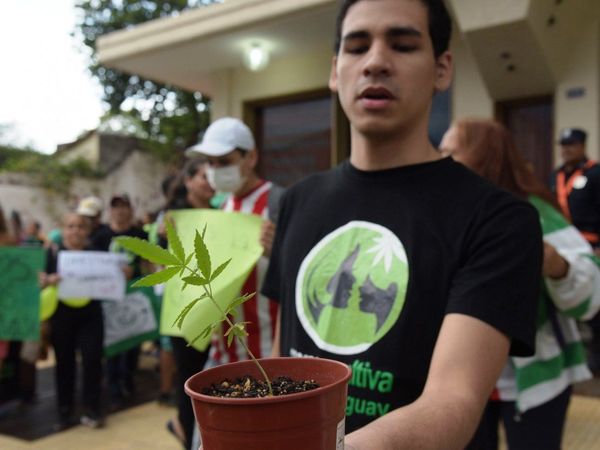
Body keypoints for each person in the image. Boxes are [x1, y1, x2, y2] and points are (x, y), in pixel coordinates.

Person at [260, 1, 543, 449]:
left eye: (403, 44)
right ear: (335, 71)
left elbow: (454, 400)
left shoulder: (498, 220)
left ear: (442, 68)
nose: (375, 62)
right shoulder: (298, 200)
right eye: (356, 47)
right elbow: (282, 359)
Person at [440, 118, 600, 450]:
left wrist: (556, 265)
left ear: (487, 156)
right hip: (459, 382)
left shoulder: (532, 211)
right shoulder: (441, 212)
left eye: (451, 152)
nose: (441, 160)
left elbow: (592, 289)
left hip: (536, 380)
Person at [187, 117, 281, 367]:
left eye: (224, 162)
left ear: (250, 158)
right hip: (223, 352)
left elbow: (304, 274)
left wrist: (279, 254)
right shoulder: (222, 206)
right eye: (210, 162)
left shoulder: (279, 203)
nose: (215, 170)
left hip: (265, 352)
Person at [40, 212, 105, 429]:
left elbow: (110, 276)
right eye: (71, 226)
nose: (75, 230)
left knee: (92, 360)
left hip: (91, 315)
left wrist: (120, 271)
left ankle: (91, 409)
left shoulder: (95, 253)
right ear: (63, 229)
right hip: (62, 315)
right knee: (64, 363)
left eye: (80, 226)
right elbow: (39, 280)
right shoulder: (52, 253)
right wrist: (48, 280)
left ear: (87, 230)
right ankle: (65, 410)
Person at [550, 127, 600, 375]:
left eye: (571, 145)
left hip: (591, 246)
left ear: (582, 146)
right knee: (566, 299)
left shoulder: (595, 173)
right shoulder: (556, 175)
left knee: (596, 304)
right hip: (564, 248)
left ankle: (597, 356)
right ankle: (572, 352)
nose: (566, 150)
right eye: (563, 146)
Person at [92, 194, 148, 407]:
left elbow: (147, 263)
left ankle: (128, 379)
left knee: (133, 342)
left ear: (130, 209)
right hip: (108, 296)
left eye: (125, 206)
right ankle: (113, 385)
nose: (120, 211)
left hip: (134, 294)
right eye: (116, 207)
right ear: (110, 210)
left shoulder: (139, 234)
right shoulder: (100, 235)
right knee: (113, 341)